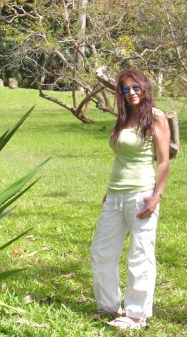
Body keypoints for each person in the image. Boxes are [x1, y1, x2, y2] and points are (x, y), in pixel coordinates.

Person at [90, 69, 170, 329]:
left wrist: (156, 196)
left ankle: (136, 314)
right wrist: (109, 191)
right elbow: (120, 158)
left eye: (135, 87)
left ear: (144, 87)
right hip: (115, 195)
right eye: (126, 89)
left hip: (142, 194)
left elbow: (163, 160)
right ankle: (109, 306)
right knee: (102, 252)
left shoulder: (155, 117)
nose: (131, 93)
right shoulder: (124, 117)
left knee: (140, 253)